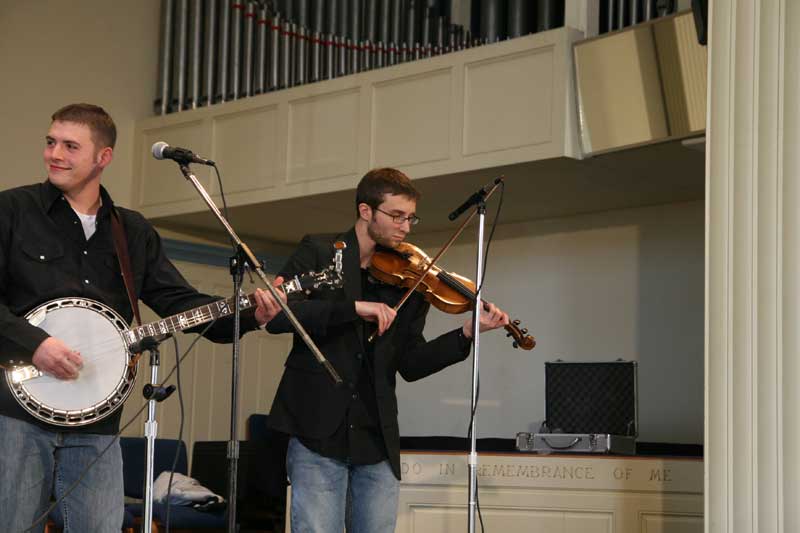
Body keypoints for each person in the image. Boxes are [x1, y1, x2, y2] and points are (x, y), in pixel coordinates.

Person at [0, 103, 285, 532]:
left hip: (98, 422)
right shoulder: (13, 211)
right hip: (17, 412)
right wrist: (35, 344)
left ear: (103, 157)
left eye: (70, 146)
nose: (55, 153)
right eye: (51, 142)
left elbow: (180, 302)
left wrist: (250, 313)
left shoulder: (131, 231)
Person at [266, 167, 510, 533]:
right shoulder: (317, 252)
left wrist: (466, 333)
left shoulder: (408, 282)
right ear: (366, 211)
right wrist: (353, 308)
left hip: (375, 438)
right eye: (396, 216)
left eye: (410, 217)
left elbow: (410, 363)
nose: (406, 227)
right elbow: (277, 317)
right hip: (316, 430)